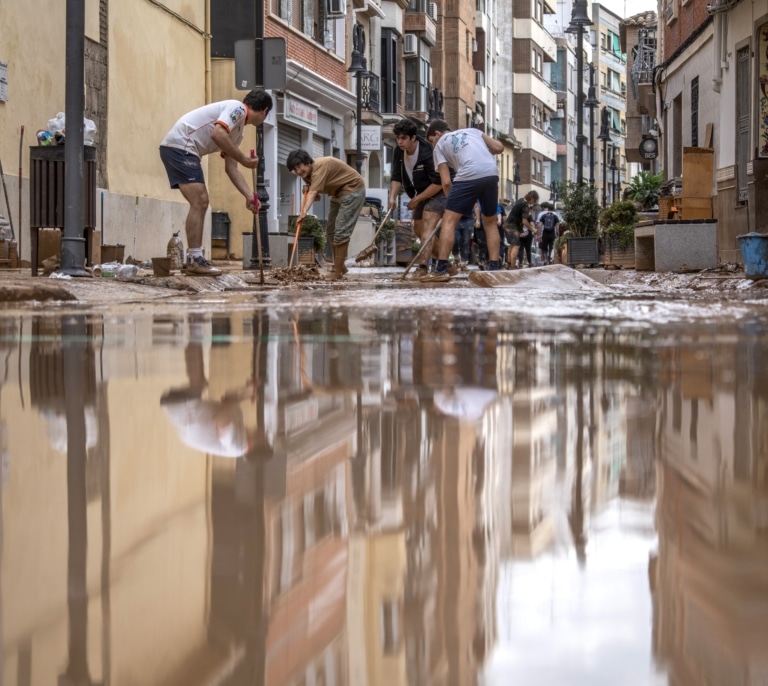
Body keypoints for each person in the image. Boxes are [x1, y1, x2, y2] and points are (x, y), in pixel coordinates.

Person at [159, 89, 273, 276]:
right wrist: (245, 158)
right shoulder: (238, 109)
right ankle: (195, 259)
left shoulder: (238, 133)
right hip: (181, 146)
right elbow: (217, 134)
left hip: (184, 150)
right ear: (264, 110)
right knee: (201, 201)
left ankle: (195, 259)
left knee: (200, 201)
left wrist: (249, 196)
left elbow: (231, 168)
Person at [422, 121, 504, 282]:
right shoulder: (473, 132)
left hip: (468, 173)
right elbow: (499, 148)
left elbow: (445, 182)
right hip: (491, 172)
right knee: (490, 222)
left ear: (438, 134)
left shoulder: (439, 147)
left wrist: (452, 202)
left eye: (431, 140)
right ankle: (494, 268)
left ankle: (441, 269)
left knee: (449, 221)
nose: (433, 145)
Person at [287, 149, 366, 280]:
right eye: (295, 169)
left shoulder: (320, 167)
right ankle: (341, 267)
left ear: (307, 162)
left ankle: (337, 272)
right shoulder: (307, 175)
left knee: (341, 232)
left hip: (352, 189)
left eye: (299, 166)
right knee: (331, 231)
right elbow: (316, 196)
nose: (299, 171)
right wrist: (308, 189)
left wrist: (303, 212)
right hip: (337, 193)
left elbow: (312, 195)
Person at [389, 120, 446, 279]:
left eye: (403, 138)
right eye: (397, 138)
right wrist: (392, 197)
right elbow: (396, 176)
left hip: (439, 190)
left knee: (428, 224)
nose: (400, 142)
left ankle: (422, 267)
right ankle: (446, 262)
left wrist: (416, 199)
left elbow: (439, 181)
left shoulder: (428, 151)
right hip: (421, 192)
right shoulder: (398, 152)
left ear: (413, 138)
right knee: (419, 230)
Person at [506, 190, 539, 268]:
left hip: (507, 225)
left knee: (512, 245)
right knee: (516, 246)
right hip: (513, 226)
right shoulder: (525, 205)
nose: (533, 203)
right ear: (531, 198)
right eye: (534, 201)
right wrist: (533, 229)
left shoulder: (520, 200)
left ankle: (509, 264)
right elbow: (524, 221)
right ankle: (513, 266)